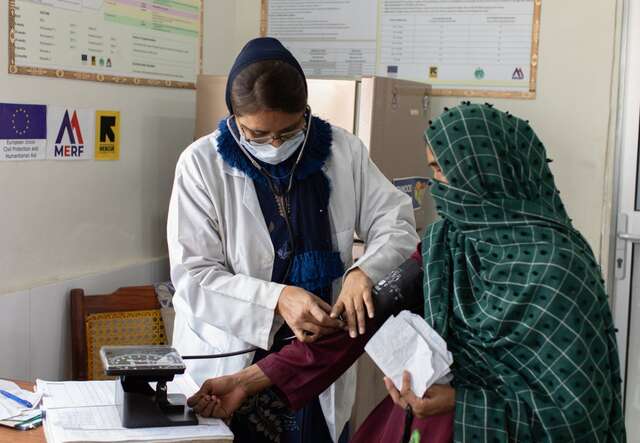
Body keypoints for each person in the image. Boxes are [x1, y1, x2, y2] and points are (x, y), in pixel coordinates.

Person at [187, 103, 627, 443]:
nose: (437, 188)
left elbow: (579, 411)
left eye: (443, 172)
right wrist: (246, 381)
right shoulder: (445, 245)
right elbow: (355, 325)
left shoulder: (557, 268)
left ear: (488, 177)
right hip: (425, 425)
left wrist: (462, 404)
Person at [167, 37, 419, 443]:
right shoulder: (200, 165)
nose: (275, 144)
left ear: (306, 111)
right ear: (233, 118)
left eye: (288, 130)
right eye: (258, 134)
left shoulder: (342, 150)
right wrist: (278, 300)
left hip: (315, 360)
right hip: (233, 355)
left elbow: (398, 224)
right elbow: (194, 275)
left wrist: (363, 273)